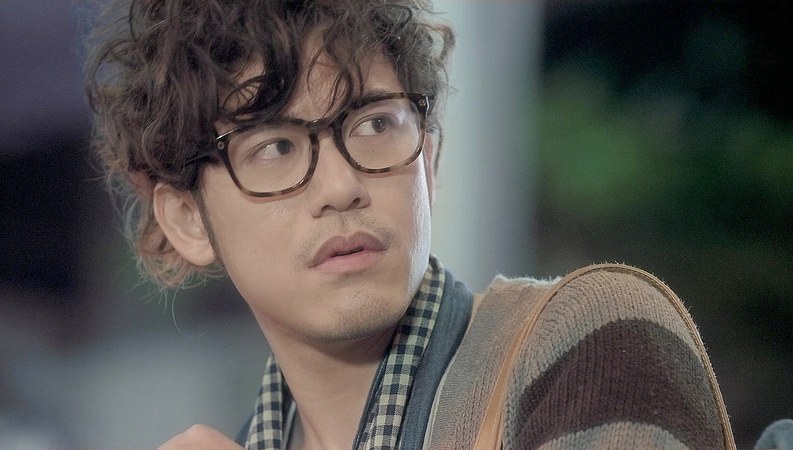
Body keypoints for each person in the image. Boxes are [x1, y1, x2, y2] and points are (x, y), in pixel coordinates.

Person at [85, 1, 736, 449]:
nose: (341, 186)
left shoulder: (583, 339)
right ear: (188, 220)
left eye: (375, 124)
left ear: (428, 156)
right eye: (275, 147)